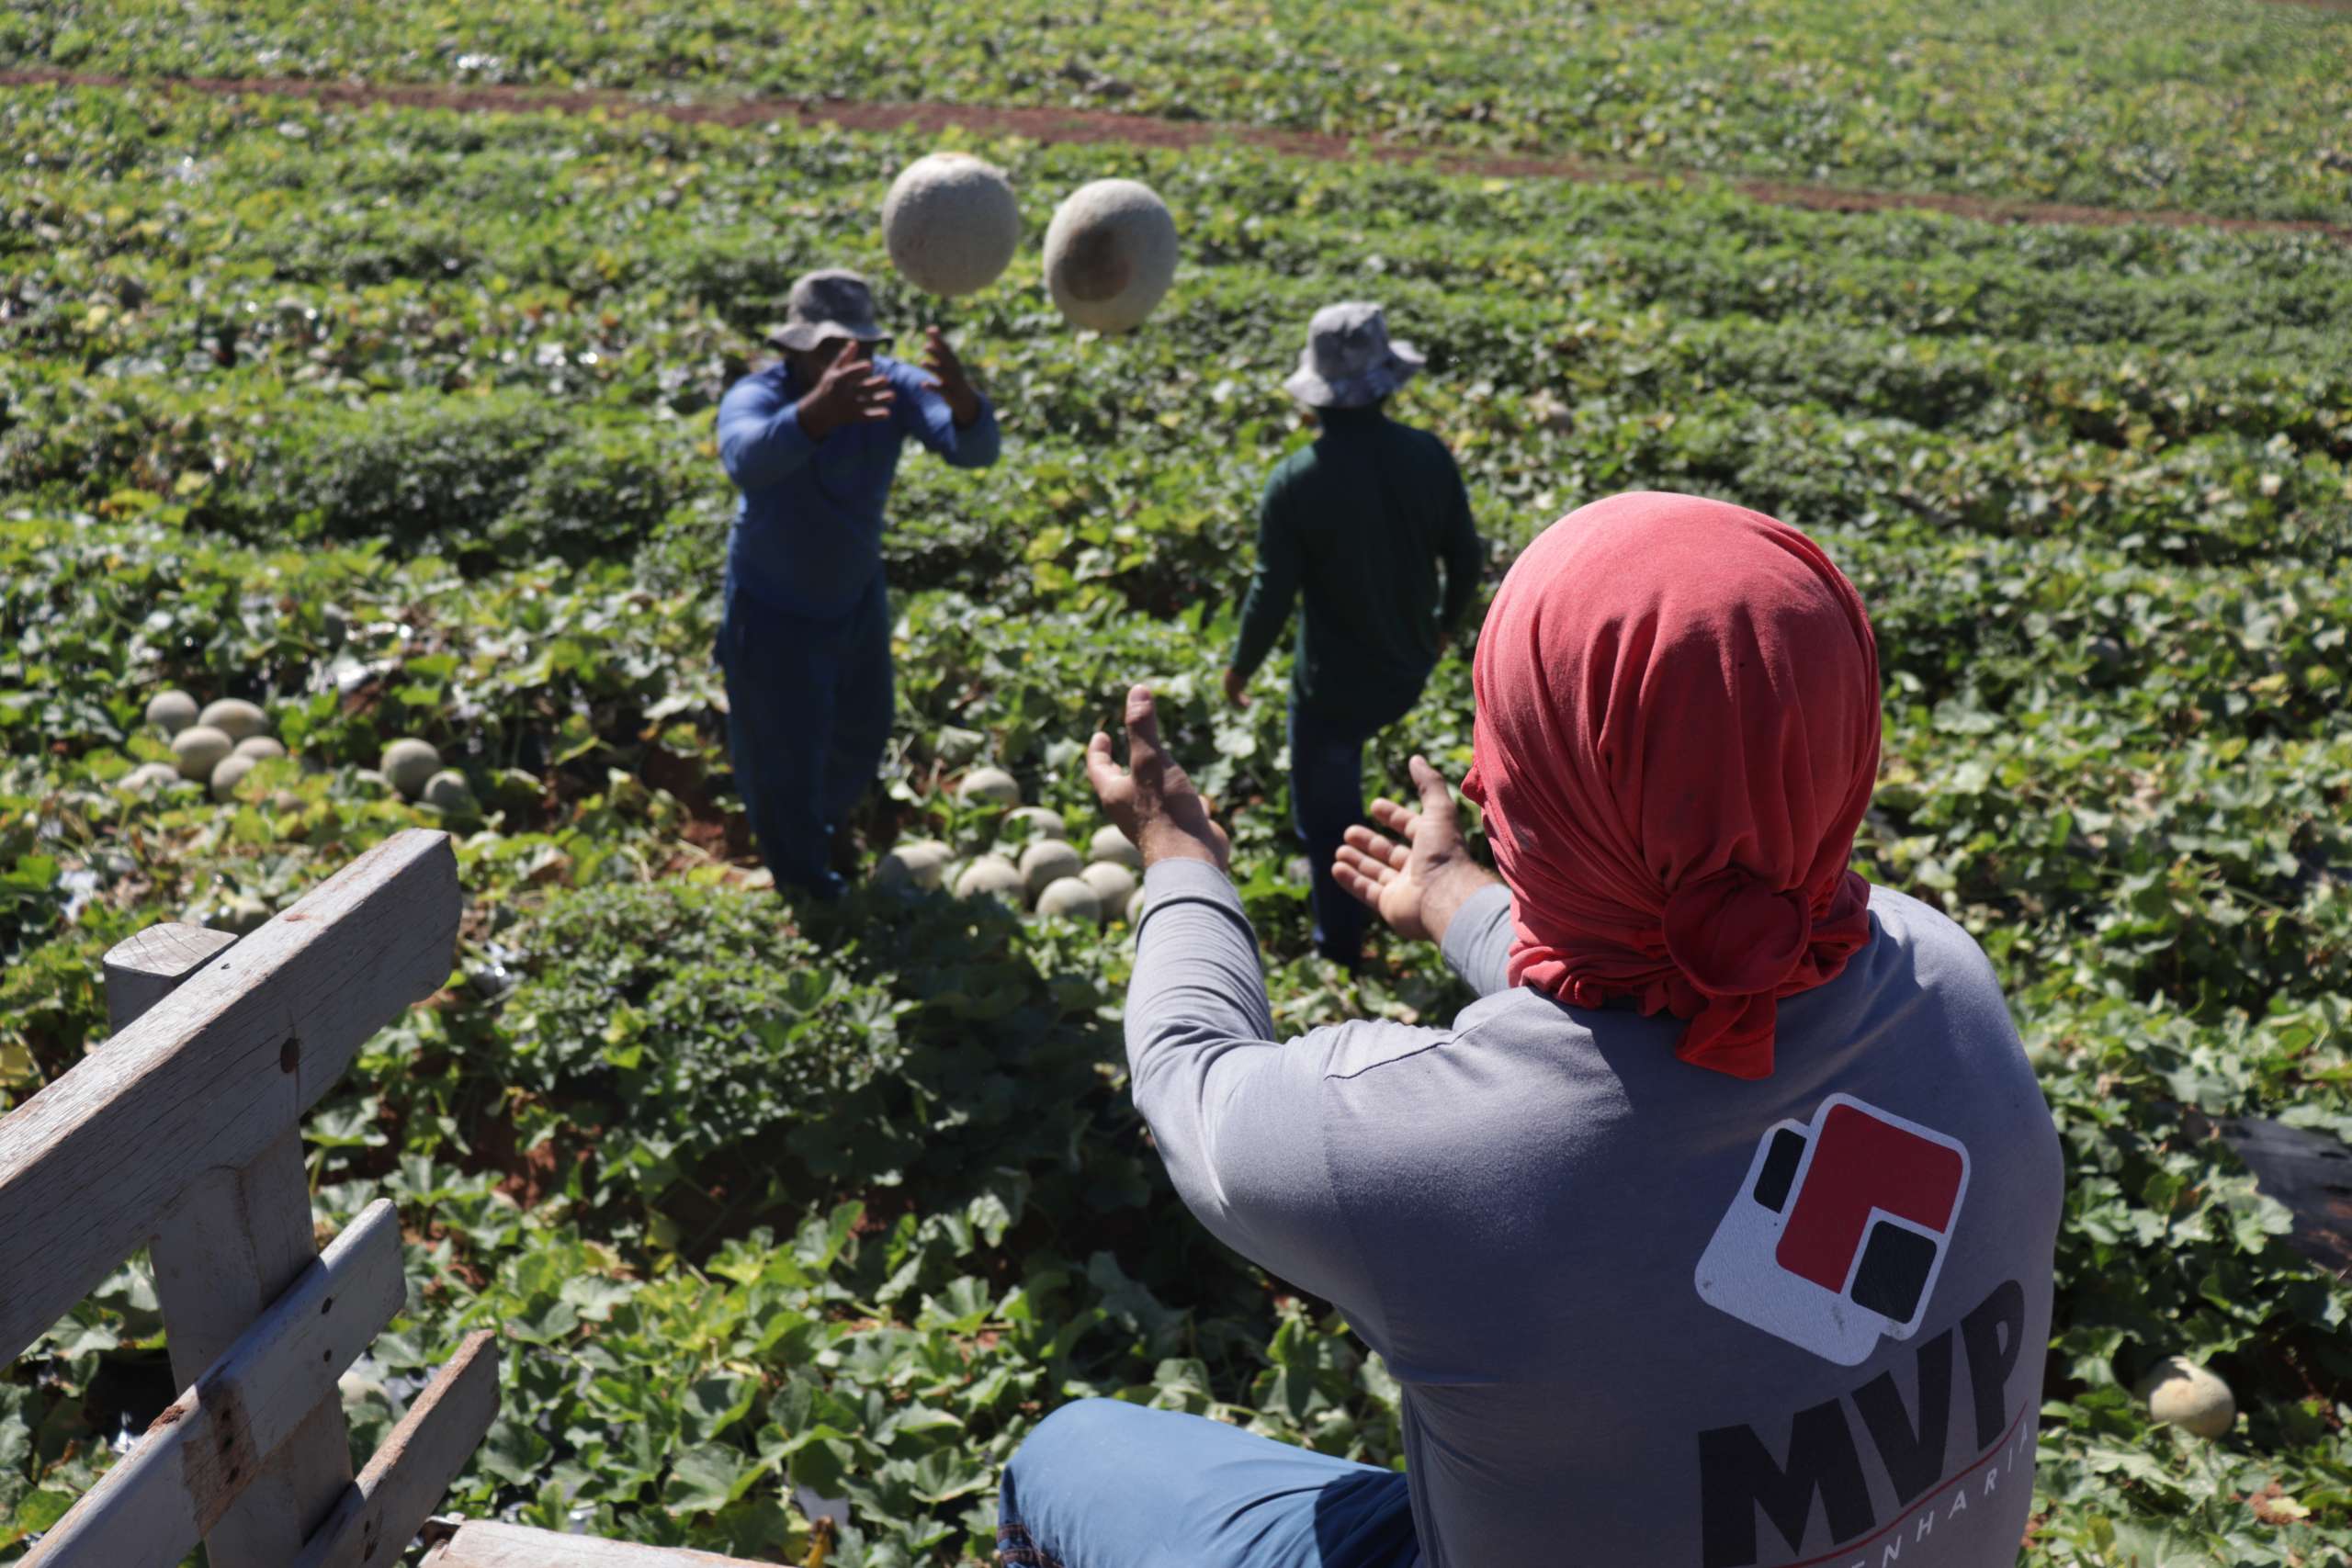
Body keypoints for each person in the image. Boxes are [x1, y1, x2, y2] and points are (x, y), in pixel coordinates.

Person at [1001, 492, 2064, 1568]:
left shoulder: (1418, 1152)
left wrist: (1178, 854)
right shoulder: (1946, 980)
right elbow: (1698, 964)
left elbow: (1190, 1072)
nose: (1479, 775)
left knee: (1069, 1456)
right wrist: (1464, 906)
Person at [714, 268, 1001, 898]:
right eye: (830, 350)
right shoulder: (756, 395)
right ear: (793, 349)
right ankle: (805, 887)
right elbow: (745, 457)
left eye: (862, 349)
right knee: (779, 757)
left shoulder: (891, 387)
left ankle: (826, 826)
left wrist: (965, 404)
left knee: (862, 729)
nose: (851, 362)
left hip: (852, 596)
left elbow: (974, 450)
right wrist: (816, 415)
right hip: (771, 607)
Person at [1222, 302, 1482, 969]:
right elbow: (1467, 555)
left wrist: (1241, 667)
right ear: (1387, 381)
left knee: (1328, 822)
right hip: (1408, 666)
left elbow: (1270, 592)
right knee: (1353, 765)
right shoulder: (1428, 454)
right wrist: (1446, 624)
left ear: (1315, 396)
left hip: (1331, 690)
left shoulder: (1295, 482)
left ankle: (1339, 949)